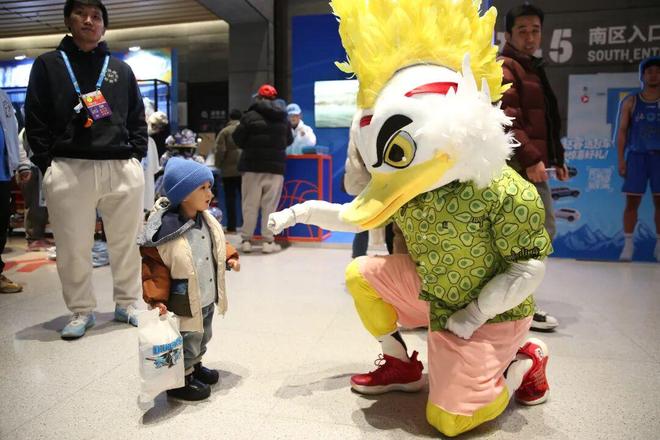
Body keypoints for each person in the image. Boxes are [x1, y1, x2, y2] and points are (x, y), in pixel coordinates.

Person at [269, 1, 552, 435]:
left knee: (451, 420)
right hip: (435, 290)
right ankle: (400, 363)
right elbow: (357, 214)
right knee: (361, 275)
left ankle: (525, 361)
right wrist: (301, 212)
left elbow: (528, 268)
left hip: (492, 311)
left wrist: (474, 314)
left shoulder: (504, 191)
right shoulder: (411, 184)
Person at [25, 0, 147, 339]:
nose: (89, 21)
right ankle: (81, 310)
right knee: (72, 246)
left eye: (96, 16)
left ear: (104, 25)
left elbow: (136, 115)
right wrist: (47, 162)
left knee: (127, 242)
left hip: (120, 165)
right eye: (81, 14)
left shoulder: (119, 69)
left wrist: (136, 154)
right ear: (68, 20)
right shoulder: (49, 64)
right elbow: (34, 115)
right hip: (69, 166)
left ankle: (127, 303)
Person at [139, 157, 240, 401]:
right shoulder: (166, 230)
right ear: (184, 194)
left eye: (209, 187)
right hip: (184, 298)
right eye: (202, 188)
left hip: (206, 294)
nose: (210, 193)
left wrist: (230, 256)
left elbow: (218, 242)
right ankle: (181, 379)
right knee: (188, 337)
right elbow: (155, 266)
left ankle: (195, 366)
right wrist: (156, 298)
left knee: (203, 333)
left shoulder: (207, 220)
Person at [499, 3, 567, 331]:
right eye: (522, 30)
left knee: (533, 234)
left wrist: (557, 158)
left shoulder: (530, 66)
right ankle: (520, 306)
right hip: (518, 165)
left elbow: (547, 119)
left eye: (535, 30)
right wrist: (531, 159)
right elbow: (508, 118)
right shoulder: (507, 66)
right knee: (538, 232)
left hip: (529, 163)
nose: (530, 37)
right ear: (508, 35)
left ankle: (514, 303)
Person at [232, 84, 293, 253]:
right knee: (270, 207)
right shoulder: (283, 117)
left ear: (258, 97)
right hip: (275, 169)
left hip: (252, 167)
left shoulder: (249, 116)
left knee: (250, 206)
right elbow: (289, 140)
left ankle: (247, 240)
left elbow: (237, 138)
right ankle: (268, 241)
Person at [616, 56, 660, 261]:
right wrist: (621, 159)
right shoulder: (631, 101)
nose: (654, 75)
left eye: (658, 71)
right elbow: (622, 132)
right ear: (642, 76)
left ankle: (659, 245)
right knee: (632, 202)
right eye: (649, 71)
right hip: (636, 157)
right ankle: (628, 245)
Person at [0, 88, 22, 294]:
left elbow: (12, 131)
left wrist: (21, 163)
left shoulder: (3, 97)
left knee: (1, 226)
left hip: (3, 173)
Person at [17, 128, 52, 251]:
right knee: (34, 204)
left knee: (41, 206)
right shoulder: (29, 128)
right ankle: (33, 238)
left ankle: (38, 236)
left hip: (39, 167)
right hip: (30, 168)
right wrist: (24, 168)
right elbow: (23, 149)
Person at [214, 109, 243, 232]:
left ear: (230, 118)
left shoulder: (224, 132)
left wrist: (218, 164)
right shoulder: (245, 130)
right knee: (245, 199)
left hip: (228, 171)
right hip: (244, 170)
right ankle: (247, 225)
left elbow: (220, 151)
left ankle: (232, 226)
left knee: (230, 198)